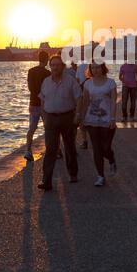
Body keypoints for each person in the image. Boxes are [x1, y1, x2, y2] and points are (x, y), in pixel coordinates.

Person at [38, 55, 82, 191]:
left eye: (58, 65)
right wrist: (43, 115)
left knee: (70, 147)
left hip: (67, 117)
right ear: (50, 66)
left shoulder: (71, 81)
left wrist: (78, 115)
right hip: (50, 118)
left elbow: (79, 98)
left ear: (63, 66)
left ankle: (73, 174)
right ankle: (47, 181)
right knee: (51, 149)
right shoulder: (46, 81)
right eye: (53, 65)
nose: (55, 67)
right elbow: (42, 99)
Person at [81, 61, 117, 187]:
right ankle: (100, 176)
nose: (95, 70)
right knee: (96, 148)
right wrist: (82, 119)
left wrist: (113, 118)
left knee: (106, 147)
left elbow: (113, 101)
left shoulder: (110, 83)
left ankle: (111, 160)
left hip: (107, 119)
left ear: (103, 68)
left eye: (98, 67)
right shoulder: (87, 83)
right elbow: (85, 102)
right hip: (91, 120)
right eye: (93, 68)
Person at [24, 50, 51, 162]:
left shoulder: (31, 71)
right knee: (48, 128)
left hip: (33, 103)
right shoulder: (48, 74)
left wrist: (36, 95)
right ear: (47, 60)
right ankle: (52, 150)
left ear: (38, 58)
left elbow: (30, 87)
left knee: (32, 128)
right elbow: (49, 90)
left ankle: (28, 151)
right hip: (45, 105)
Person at [76, 63, 89, 149]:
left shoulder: (80, 67)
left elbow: (77, 80)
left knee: (81, 118)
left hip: (82, 93)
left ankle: (85, 140)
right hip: (93, 94)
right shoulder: (96, 65)